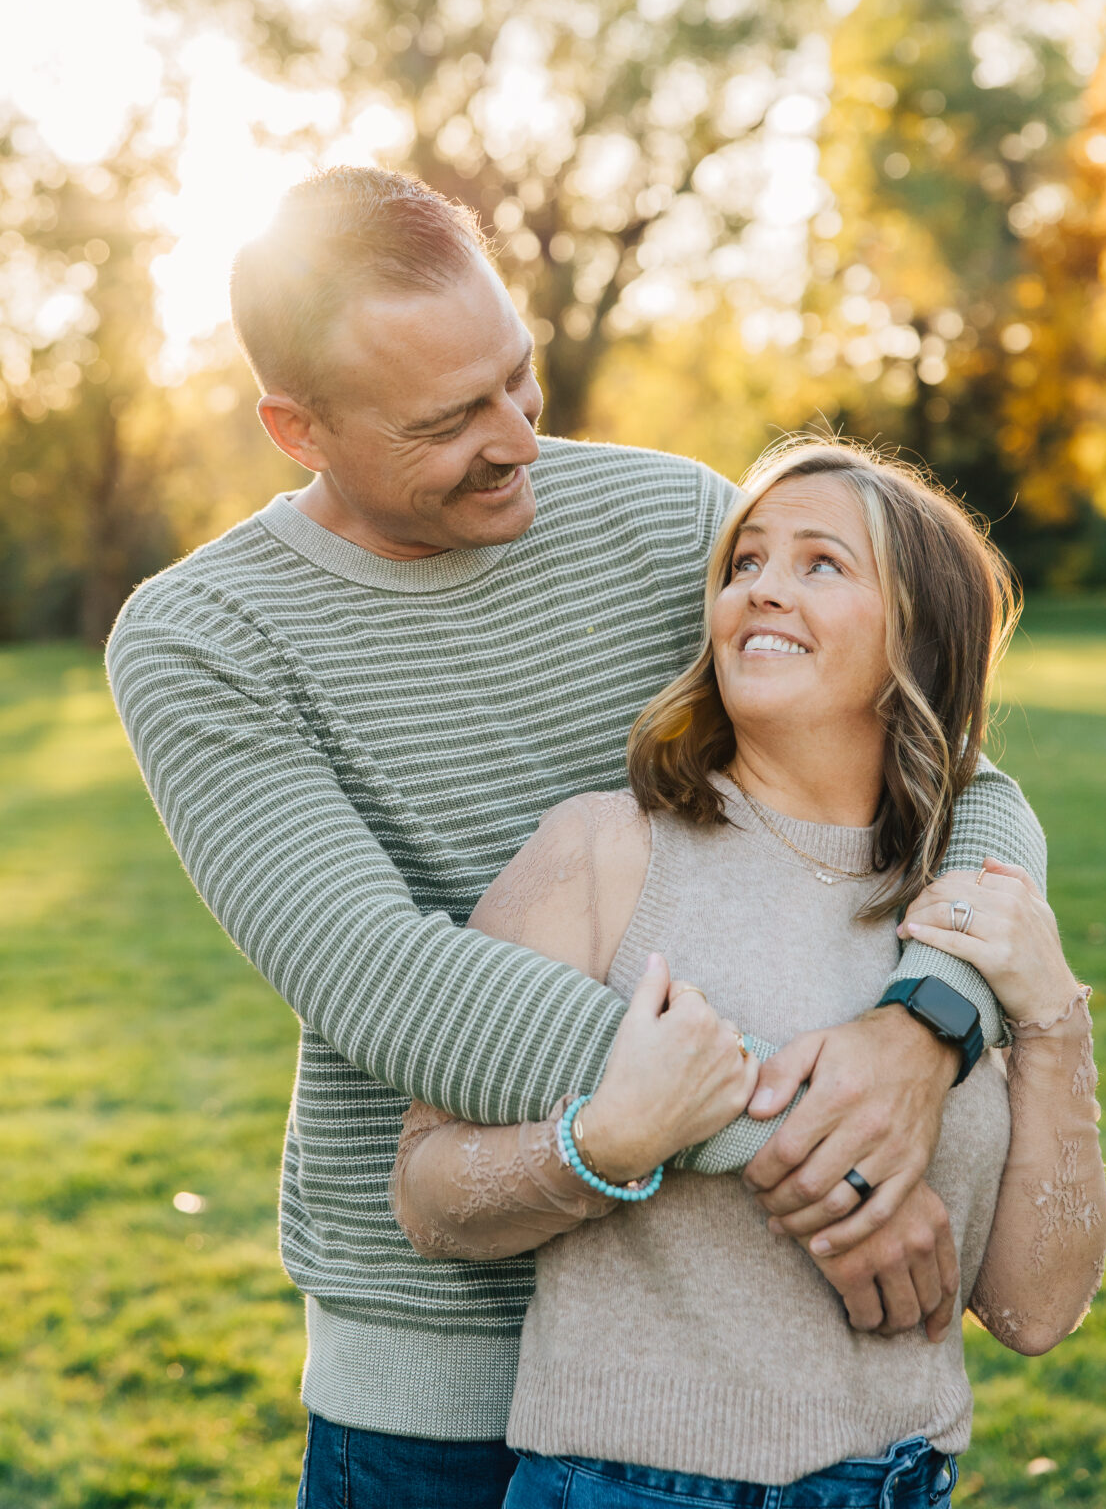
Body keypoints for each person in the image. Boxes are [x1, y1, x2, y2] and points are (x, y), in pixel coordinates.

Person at [107, 167, 1041, 1509]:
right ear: (296, 429)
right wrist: (816, 1157)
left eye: (516, 375)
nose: (518, 439)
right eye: (448, 422)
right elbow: (379, 976)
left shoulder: (670, 521)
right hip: (442, 1359)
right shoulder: (203, 637)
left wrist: (924, 1025)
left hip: (722, 1345)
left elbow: (962, 788)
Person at [393, 438, 1106, 1508]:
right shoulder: (603, 852)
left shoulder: (962, 911)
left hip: (901, 1481)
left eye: (822, 563)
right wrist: (606, 1144)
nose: (762, 589)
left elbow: (1033, 1311)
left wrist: (1053, 1024)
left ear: (919, 635)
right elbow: (427, 1193)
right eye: (745, 563)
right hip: (623, 1488)